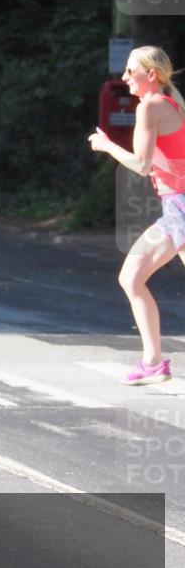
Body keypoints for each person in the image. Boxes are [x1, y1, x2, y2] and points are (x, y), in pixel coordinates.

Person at [89, 45, 185, 385]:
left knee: (131, 277)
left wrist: (107, 146)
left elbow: (142, 165)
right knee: (131, 278)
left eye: (132, 71)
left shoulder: (151, 107)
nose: (125, 77)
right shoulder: (172, 102)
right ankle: (154, 361)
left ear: (151, 74)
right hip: (177, 208)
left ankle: (154, 361)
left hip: (180, 208)